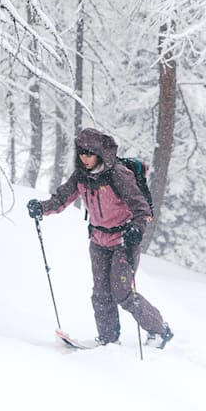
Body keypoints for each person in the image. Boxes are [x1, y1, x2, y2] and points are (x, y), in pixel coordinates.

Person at [28, 127, 174, 348]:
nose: (84, 158)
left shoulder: (118, 175)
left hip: (124, 241)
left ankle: (159, 330)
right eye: (81, 153)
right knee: (100, 294)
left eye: (89, 153)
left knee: (123, 292)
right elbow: (61, 199)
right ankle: (108, 339)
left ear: (99, 154)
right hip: (98, 241)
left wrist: (136, 230)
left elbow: (142, 209)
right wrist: (41, 207)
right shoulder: (81, 176)